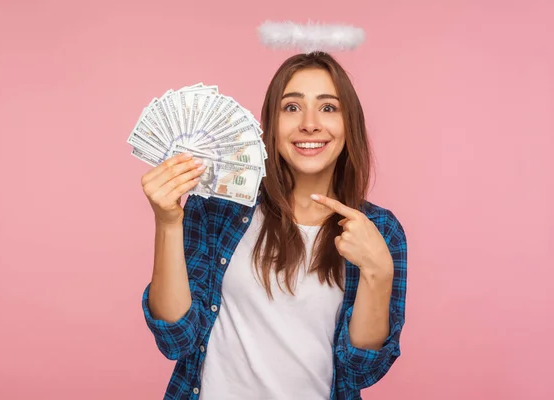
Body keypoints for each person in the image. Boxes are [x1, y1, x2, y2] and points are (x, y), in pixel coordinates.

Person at [139, 52, 407, 400]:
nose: (309, 124)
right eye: (291, 107)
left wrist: (379, 272)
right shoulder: (218, 206)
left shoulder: (381, 230)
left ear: (350, 125)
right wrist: (168, 221)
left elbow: (361, 370)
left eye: (328, 108)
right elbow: (176, 339)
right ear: (270, 125)